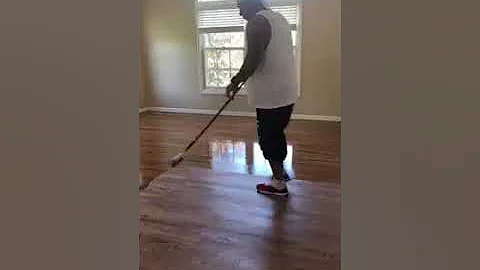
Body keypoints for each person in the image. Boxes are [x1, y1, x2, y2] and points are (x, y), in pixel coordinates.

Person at [226, 0, 298, 196]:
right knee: (277, 132)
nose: (240, 13)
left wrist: (234, 82)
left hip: (271, 93)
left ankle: (278, 184)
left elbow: (253, 60)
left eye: (241, 7)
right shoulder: (279, 18)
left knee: (268, 137)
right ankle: (280, 173)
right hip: (287, 90)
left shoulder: (257, 23)